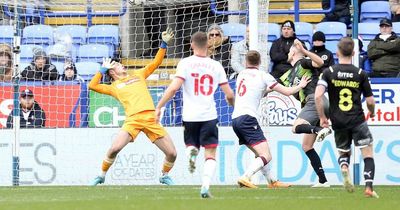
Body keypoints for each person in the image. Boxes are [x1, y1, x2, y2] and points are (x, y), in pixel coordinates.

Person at [89, 28, 177, 186]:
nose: (121, 65)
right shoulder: (114, 87)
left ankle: (164, 175)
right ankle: (101, 175)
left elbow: (156, 63)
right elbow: (92, 85)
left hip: (151, 118)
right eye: (117, 64)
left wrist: (163, 44)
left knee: (172, 153)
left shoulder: (138, 74)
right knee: (114, 148)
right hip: (133, 120)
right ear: (111, 72)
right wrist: (101, 71)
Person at [155, 31, 235, 198]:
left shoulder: (185, 63)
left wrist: (159, 106)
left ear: (191, 44)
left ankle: (192, 151)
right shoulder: (216, 66)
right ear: (207, 45)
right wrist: (232, 104)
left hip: (190, 116)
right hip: (209, 115)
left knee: (192, 145)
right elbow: (229, 94)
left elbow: (173, 88)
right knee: (210, 154)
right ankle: (205, 186)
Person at [233, 50, 310, 189]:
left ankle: (272, 181)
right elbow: (287, 92)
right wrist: (300, 86)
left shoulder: (241, 75)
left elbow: (259, 93)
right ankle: (245, 176)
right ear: (261, 62)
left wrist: (269, 89)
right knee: (266, 155)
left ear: (246, 62)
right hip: (248, 118)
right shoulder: (263, 76)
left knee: (260, 154)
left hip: (236, 120)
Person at [315, 37, 379, 198]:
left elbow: (317, 96)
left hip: (338, 121)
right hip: (357, 119)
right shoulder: (360, 73)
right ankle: (369, 187)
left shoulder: (328, 72)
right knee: (367, 152)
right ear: (354, 53)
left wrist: (323, 117)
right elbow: (370, 101)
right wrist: (372, 111)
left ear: (337, 53)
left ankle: (344, 166)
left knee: (344, 152)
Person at [279, 39, 332, 187]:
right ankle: (323, 181)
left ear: (295, 51)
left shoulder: (303, 63)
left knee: (295, 127)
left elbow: (320, 63)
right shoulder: (289, 74)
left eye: (290, 50)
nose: (288, 53)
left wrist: (304, 51)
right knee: (307, 146)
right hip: (315, 104)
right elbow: (274, 86)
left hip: (315, 101)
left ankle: (321, 129)